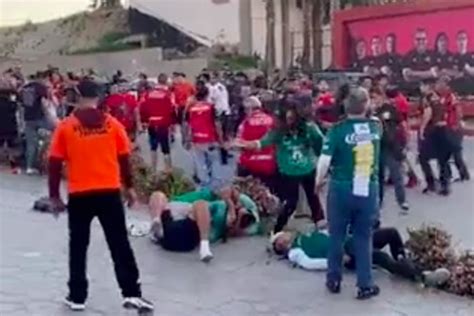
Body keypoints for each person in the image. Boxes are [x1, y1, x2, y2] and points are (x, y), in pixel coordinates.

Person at [47, 80, 153, 312]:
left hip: (80, 194)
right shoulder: (112, 125)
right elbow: (124, 159)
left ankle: (77, 296)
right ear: (98, 97)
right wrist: (131, 188)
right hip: (108, 192)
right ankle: (132, 293)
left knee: (78, 246)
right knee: (119, 244)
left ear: (77, 96)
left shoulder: (66, 126)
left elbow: (54, 163)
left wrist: (54, 196)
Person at [315, 87, 381, 299]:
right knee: (363, 236)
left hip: (341, 186)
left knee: (337, 235)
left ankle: (333, 279)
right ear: (367, 105)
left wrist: (318, 182)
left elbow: (324, 160)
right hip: (367, 187)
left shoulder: (337, 130)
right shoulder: (376, 127)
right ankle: (365, 284)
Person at [236, 99, 325, 233]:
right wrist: (242, 143)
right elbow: (261, 143)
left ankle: (321, 228)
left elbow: (321, 145)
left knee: (314, 199)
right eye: (286, 118)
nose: (289, 121)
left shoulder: (309, 127)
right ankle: (277, 229)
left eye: (291, 118)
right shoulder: (278, 131)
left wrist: (324, 165)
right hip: (288, 171)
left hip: (308, 168)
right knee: (290, 203)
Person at [270, 227, 451, 288]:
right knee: (379, 256)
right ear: (280, 245)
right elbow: (310, 263)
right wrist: (336, 261)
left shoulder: (306, 234)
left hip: (352, 239)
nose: (285, 235)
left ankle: (403, 262)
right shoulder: (295, 251)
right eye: (281, 237)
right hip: (346, 254)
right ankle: (423, 277)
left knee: (391, 233)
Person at [148, 186, 260, 261]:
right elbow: (228, 190)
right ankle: (156, 226)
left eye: (243, 221)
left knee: (200, 205)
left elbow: (233, 229)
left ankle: (204, 247)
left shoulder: (221, 224)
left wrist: (232, 213)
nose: (242, 212)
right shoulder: (218, 199)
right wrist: (231, 200)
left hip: (186, 232)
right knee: (157, 195)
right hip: (169, 225)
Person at [370, 87, 409, 212]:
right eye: (371, 98)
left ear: (381, 97)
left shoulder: (390, 109)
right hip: (376, 147)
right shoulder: (368, 113)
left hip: (391, 147)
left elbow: (402, 124)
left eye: (376, 97)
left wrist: (405, 141)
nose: (374, 100)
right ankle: (378, 202)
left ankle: (402, 201)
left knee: (396, 174)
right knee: (378, 176)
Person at [418, 79, 458, 195]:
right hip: (443, 129)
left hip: (433, 130)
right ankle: (445, 186)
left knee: (423, 157)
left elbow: (428, 112)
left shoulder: (427, 98)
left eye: (422, 86)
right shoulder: (438, 97)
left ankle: (431, 183)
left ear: (426, 86)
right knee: (442, 159)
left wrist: (422, 128)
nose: (421, 88)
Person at [184, 83, 225, 189]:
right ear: (207, 95)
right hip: (210, 139)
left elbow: (189, 126)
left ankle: (204, 186)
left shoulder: (191, 109)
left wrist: (188, 139)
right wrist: (221, 140)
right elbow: (217, 124)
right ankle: (215, 186)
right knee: (215, 162)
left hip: (197, 140)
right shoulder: (211, 107)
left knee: (200, 163)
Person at [236, 96, 277, 192]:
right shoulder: (272, 120)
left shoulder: (245, 123)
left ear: (249, 108)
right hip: (270, 163)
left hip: (250, 164)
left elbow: (239, 143)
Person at [436, 77, 470, 181]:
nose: (437, 86)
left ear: (447, 86)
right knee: (443, 154)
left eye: (440, 84)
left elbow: (458, 112)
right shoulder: (440, 97)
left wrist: (456, 124)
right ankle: (446, 175)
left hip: (453, 129)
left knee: (456, 155)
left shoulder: (451, 97)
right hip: (445, 128)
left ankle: (464, 175)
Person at [140, 73, 175, 172]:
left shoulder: (148, 94)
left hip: (152, 123)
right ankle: (168, 169)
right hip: (163, 123)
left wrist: (144, 121)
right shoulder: (168, 94)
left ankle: (153, 169)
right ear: (166, 81)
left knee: (153, 146)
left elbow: (142, 108)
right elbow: (172, 109)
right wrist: (172, 124)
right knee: (165, 148)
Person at [21, 71, 50, 175]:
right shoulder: (41, 87)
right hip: (40, 117)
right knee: (51, 136)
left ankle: (29, 167)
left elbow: (21, 102)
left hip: (28, 118)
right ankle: (42, 162)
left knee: (31, 143)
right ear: (42, 78)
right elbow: (45, 101)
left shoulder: (26, 87)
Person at [0, 76, 20, 172]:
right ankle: (13, 166)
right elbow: (15, 107)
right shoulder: (12, 103)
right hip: (10, 126)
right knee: (11, 147)